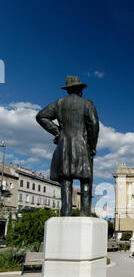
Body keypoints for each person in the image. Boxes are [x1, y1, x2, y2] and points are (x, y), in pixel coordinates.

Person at [36, 76, 99, 216]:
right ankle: (85, 212)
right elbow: (93, 124)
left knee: (66, 179)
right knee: (86, 179)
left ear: (68, 90)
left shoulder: (59, 103)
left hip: (64, 145)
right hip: (83, 145)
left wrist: (57, 132)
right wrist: (92, 146)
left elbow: (41, 116)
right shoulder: (87, 103)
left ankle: (66, 210)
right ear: (80, 90)